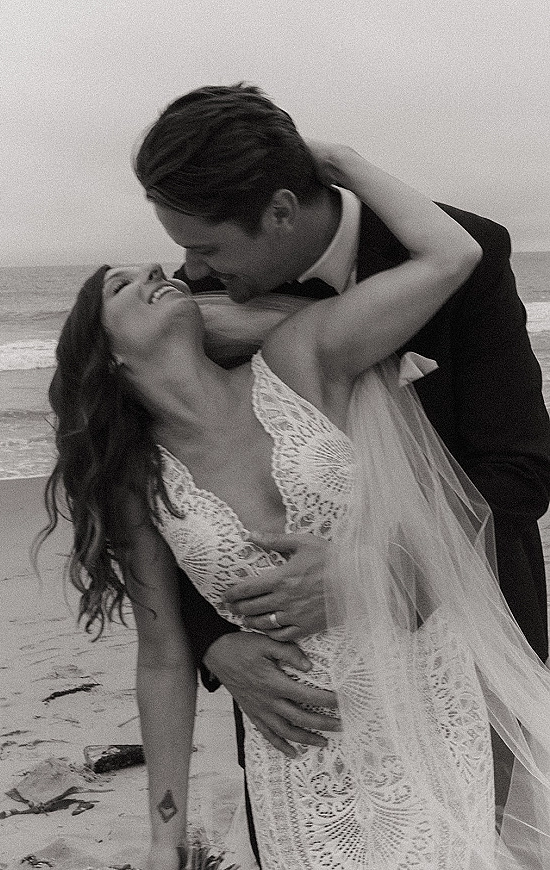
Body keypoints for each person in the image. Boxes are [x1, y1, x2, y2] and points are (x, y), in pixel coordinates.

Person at [41, 148, 550, 869]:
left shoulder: (297, 356)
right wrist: (165, 832)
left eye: (188, 256)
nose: (175, 269)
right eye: (127, 283)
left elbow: (516, 467)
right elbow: (160, 655)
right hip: (298, 736)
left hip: (426, 682)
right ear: (106, 355)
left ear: (280, 212)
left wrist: (338, 158)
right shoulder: (136, 476)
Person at [133, 85, 550, 781]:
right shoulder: (196, 302)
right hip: (300, 685)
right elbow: (179, 484)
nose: (193, 272)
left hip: (468, 635)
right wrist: (212, 645)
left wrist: (372, 569)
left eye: (205, 248)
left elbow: (521, 471)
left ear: (282, 210)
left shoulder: (467, 255)